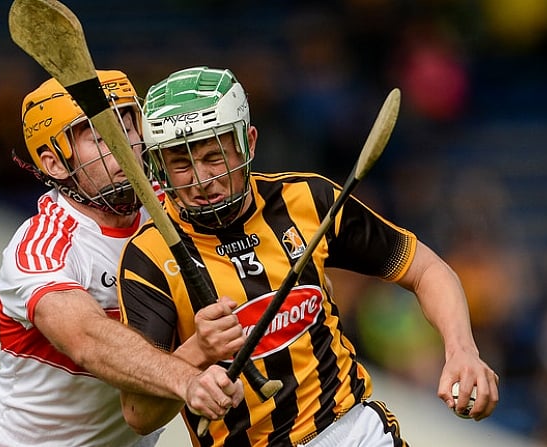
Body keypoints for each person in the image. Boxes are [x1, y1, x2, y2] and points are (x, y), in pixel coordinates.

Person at [116, 66, 500, 446]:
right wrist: (197, 352)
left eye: (213, 156)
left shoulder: (306, 201)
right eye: (180, 164)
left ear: (248, 142)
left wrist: (462, 351)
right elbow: (139, 415)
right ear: (157, 167)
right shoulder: (147, 257)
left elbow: (426, 270)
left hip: (350, 431)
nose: (201, 179)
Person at [0, 70, 244, 447]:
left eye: (129, 127)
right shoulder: (41, 247)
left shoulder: (173, 211)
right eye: (100, 137)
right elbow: (87, 338)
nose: (124, 145)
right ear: (55, 164)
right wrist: (188, 375)